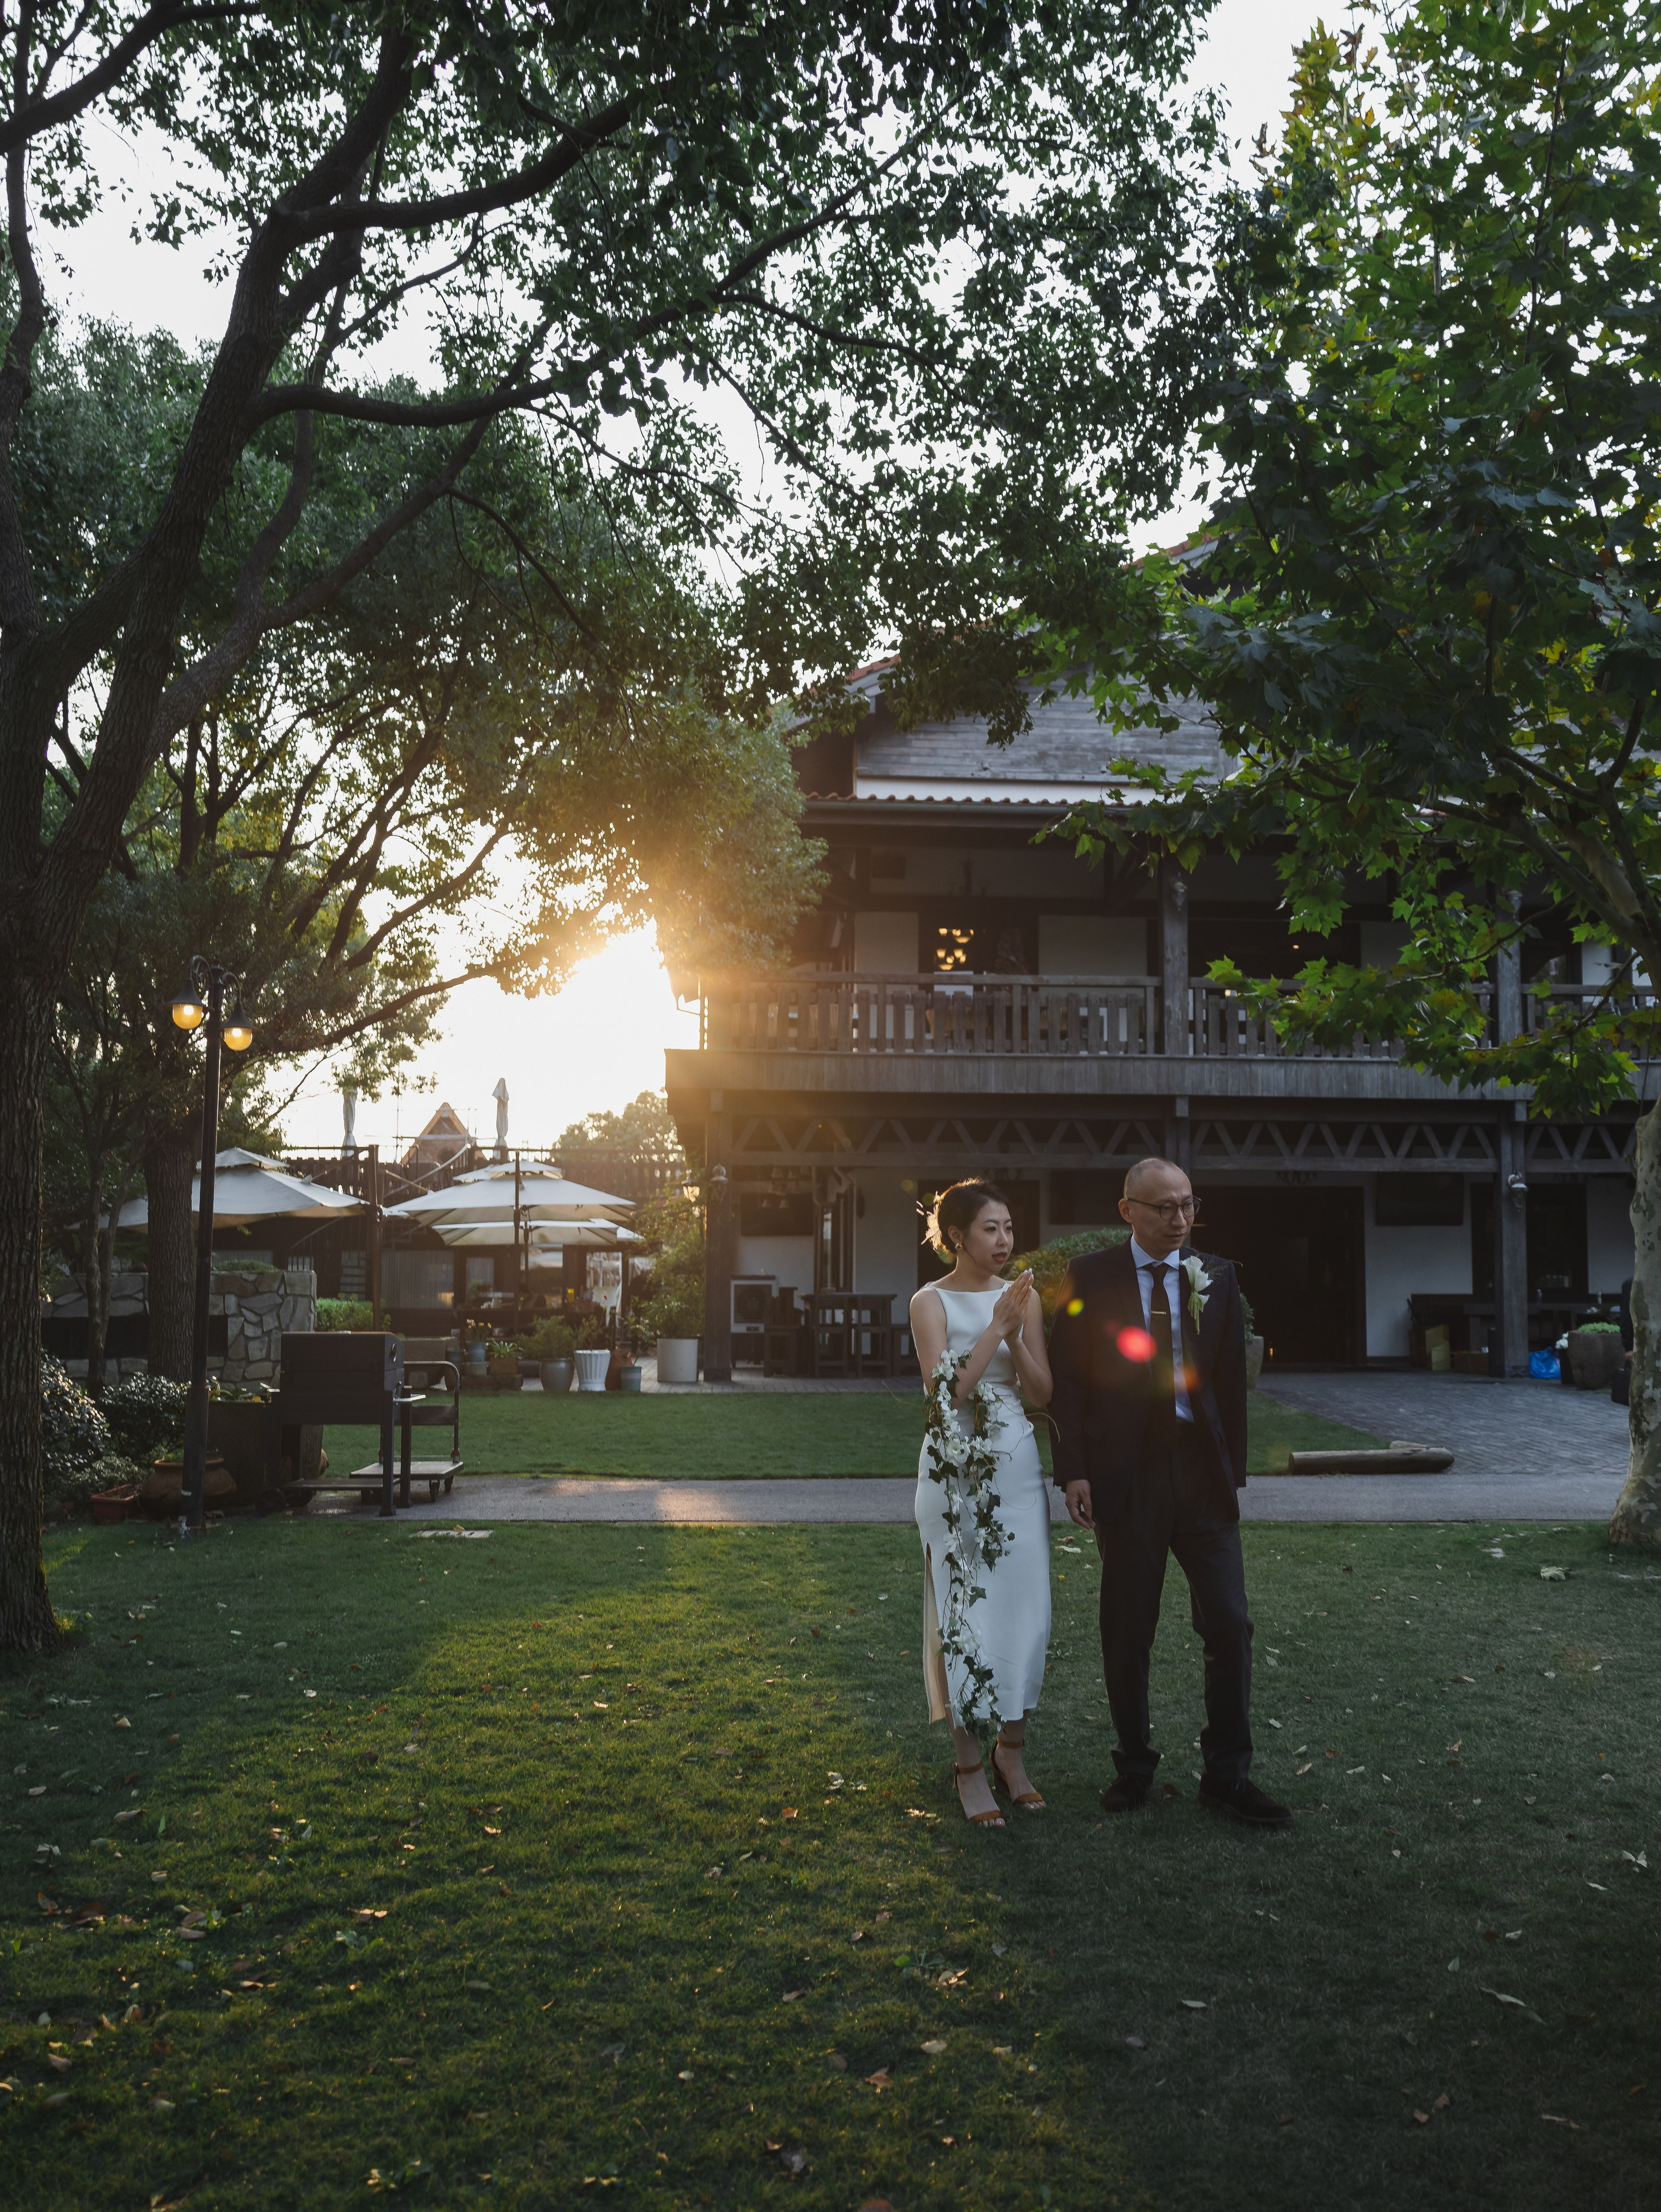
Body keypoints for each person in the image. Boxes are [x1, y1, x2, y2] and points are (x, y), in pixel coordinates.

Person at [1048, 1156, 1291, 1829]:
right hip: (1127, 1476)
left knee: (1231, 1622)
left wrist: (1231, 1475)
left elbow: (1229, 1388)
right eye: (1163, 1208)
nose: (1179, 1219)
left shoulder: (1215, 1273)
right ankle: (1132, 1766)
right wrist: (1073, 1469)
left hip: (1202, 1476)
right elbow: (1067, 1378)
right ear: (1126, 1209)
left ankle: (1228, 1773)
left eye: (1187, 1205)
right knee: (1128, 1627)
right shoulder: (1090, 1275)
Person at [910, 1179, 1053, 1829]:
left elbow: (1043, 1391)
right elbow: (946, 1399)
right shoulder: (929, 1301)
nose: (1004, 1240)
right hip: (953, 1465)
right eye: (990, 1228)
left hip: (1016, 1463)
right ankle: (968, 1764)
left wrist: (1017, 1332)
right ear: (958, 1234)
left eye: (1008, 1227)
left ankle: (1011, 1752)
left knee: (1025, 1605)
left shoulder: (1022, 1298)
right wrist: (996, 1329)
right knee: (961, 1605)